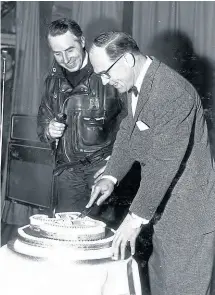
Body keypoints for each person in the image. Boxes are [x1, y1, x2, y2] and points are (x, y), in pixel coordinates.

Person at [86, 31, 215, 295]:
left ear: (128, 60)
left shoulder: (172, 92)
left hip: (188, 219)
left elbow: (162, 164)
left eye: (106, 73)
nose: (104, 81)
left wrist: (133, 221)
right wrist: (111, 175)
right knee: (160, 287)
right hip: (162, 213)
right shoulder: (137, 82)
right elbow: (130, 130)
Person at [37, 19, 127, 219]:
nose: (65, 59)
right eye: (57, 53)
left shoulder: (108, 71)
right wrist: (48, 129)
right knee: (68, 237)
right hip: (67, 173)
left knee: (103, 236)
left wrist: (115, 163)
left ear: (82, 41)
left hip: (102, 170)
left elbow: (131, 122)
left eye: (70, 50)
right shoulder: (52, 80)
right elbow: (42, 121)